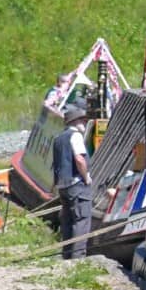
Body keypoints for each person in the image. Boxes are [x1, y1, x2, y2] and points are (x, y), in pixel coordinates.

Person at [53, 104, 93, 259]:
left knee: (68, 222)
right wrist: (86, 177)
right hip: (77, 184)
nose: (85, 123)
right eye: (83, 120)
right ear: (75, 122)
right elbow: (79, 159)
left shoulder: (58, 138)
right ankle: (78, 258)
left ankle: (67, 256)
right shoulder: (75, 136)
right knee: (81, 220)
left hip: (63, 186)